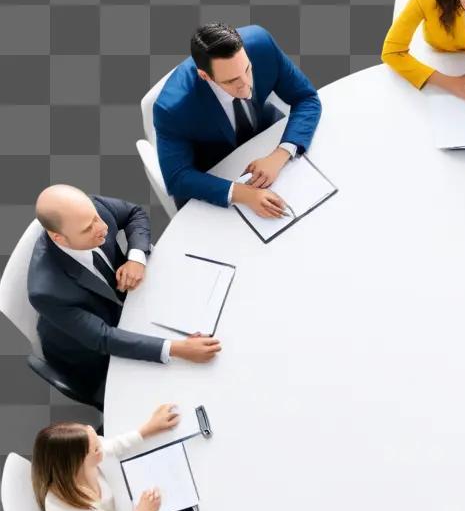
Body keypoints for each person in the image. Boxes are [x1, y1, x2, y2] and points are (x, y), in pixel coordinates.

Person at [28, 186, 221, 407]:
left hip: (126, 306)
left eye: (96, 218)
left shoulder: (90, 211)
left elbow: (133, 213)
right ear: (59, 238)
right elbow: (103, 338)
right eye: (88, 228)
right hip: (93, 356)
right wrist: (177, 349)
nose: (103, 227)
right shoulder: (46, 291)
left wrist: (136, 259)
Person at [155, 22, 322, 212]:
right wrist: (245, 194)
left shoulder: (262, 44)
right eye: (231, 80)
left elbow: (307, 98)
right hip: (212, 167)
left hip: (263, 131)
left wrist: (280, 155)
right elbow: (177, 177)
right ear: (204, 76)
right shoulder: (172, 107)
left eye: (247, 70)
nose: (246, 86)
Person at [32, 404, 179, 511]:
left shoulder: (79, 462)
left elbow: (112, 447)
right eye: (95, 449)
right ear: (76, 463)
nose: (101, 446)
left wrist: (147, 429)